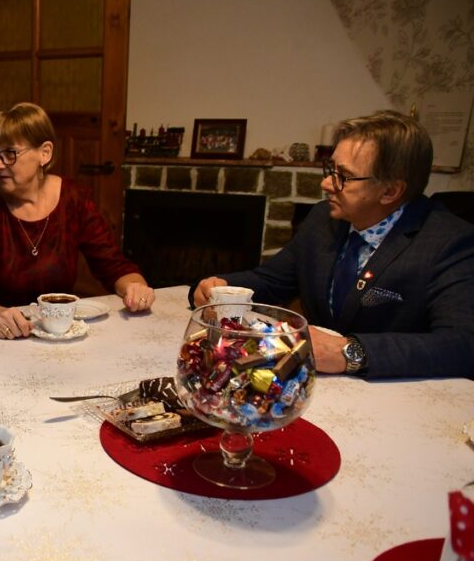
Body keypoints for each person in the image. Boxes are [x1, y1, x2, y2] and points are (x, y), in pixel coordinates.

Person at [191, 110, 474, 379]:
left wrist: (348, 352)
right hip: (312, 385)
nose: (326, 183)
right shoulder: (322, 218)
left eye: (343, 176)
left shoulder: (451, 242)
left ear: (390, 191)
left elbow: (462, 345)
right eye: (330, 169)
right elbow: (272, 280)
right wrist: (218, 287)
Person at [0, 102, 154, 339]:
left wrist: (134, 287)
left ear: (44, 153)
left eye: (9, 153)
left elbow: (113, 265)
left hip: (60, 333)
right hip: (6, 334)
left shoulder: (74, 199)